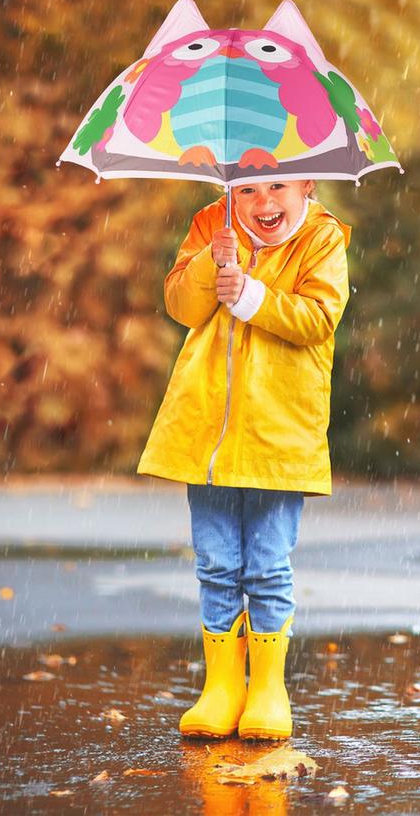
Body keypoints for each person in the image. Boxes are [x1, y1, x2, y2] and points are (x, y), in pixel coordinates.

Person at [136, 177, 351, 741]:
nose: (262, 203)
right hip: (207, 432)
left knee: (268, 565)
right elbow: (182, 305)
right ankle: (222, 687)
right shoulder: (213, 224)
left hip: (278, 435)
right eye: (248, 189)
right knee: (216, 563)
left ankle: (268, 688)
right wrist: (214, 261)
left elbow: (318, 320)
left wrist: (250, 295)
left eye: (277, 186)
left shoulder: (322, 240)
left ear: (306, 182)